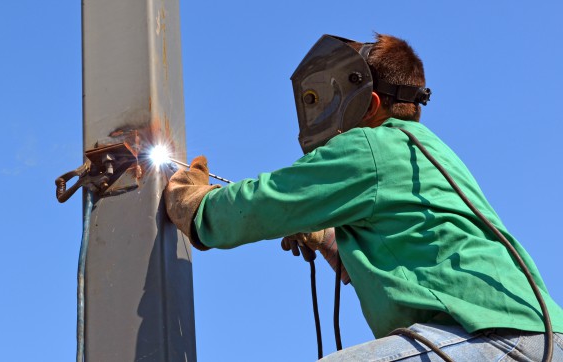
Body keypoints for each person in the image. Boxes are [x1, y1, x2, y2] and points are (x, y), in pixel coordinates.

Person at [164, 33, 563, 361]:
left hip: (497, 339)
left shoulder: (369, 147)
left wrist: (195, 203)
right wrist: (327, 239)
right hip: (532, 339)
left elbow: (259, 205)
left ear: (369, 102)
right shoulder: (423, 151)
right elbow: (408, 252)